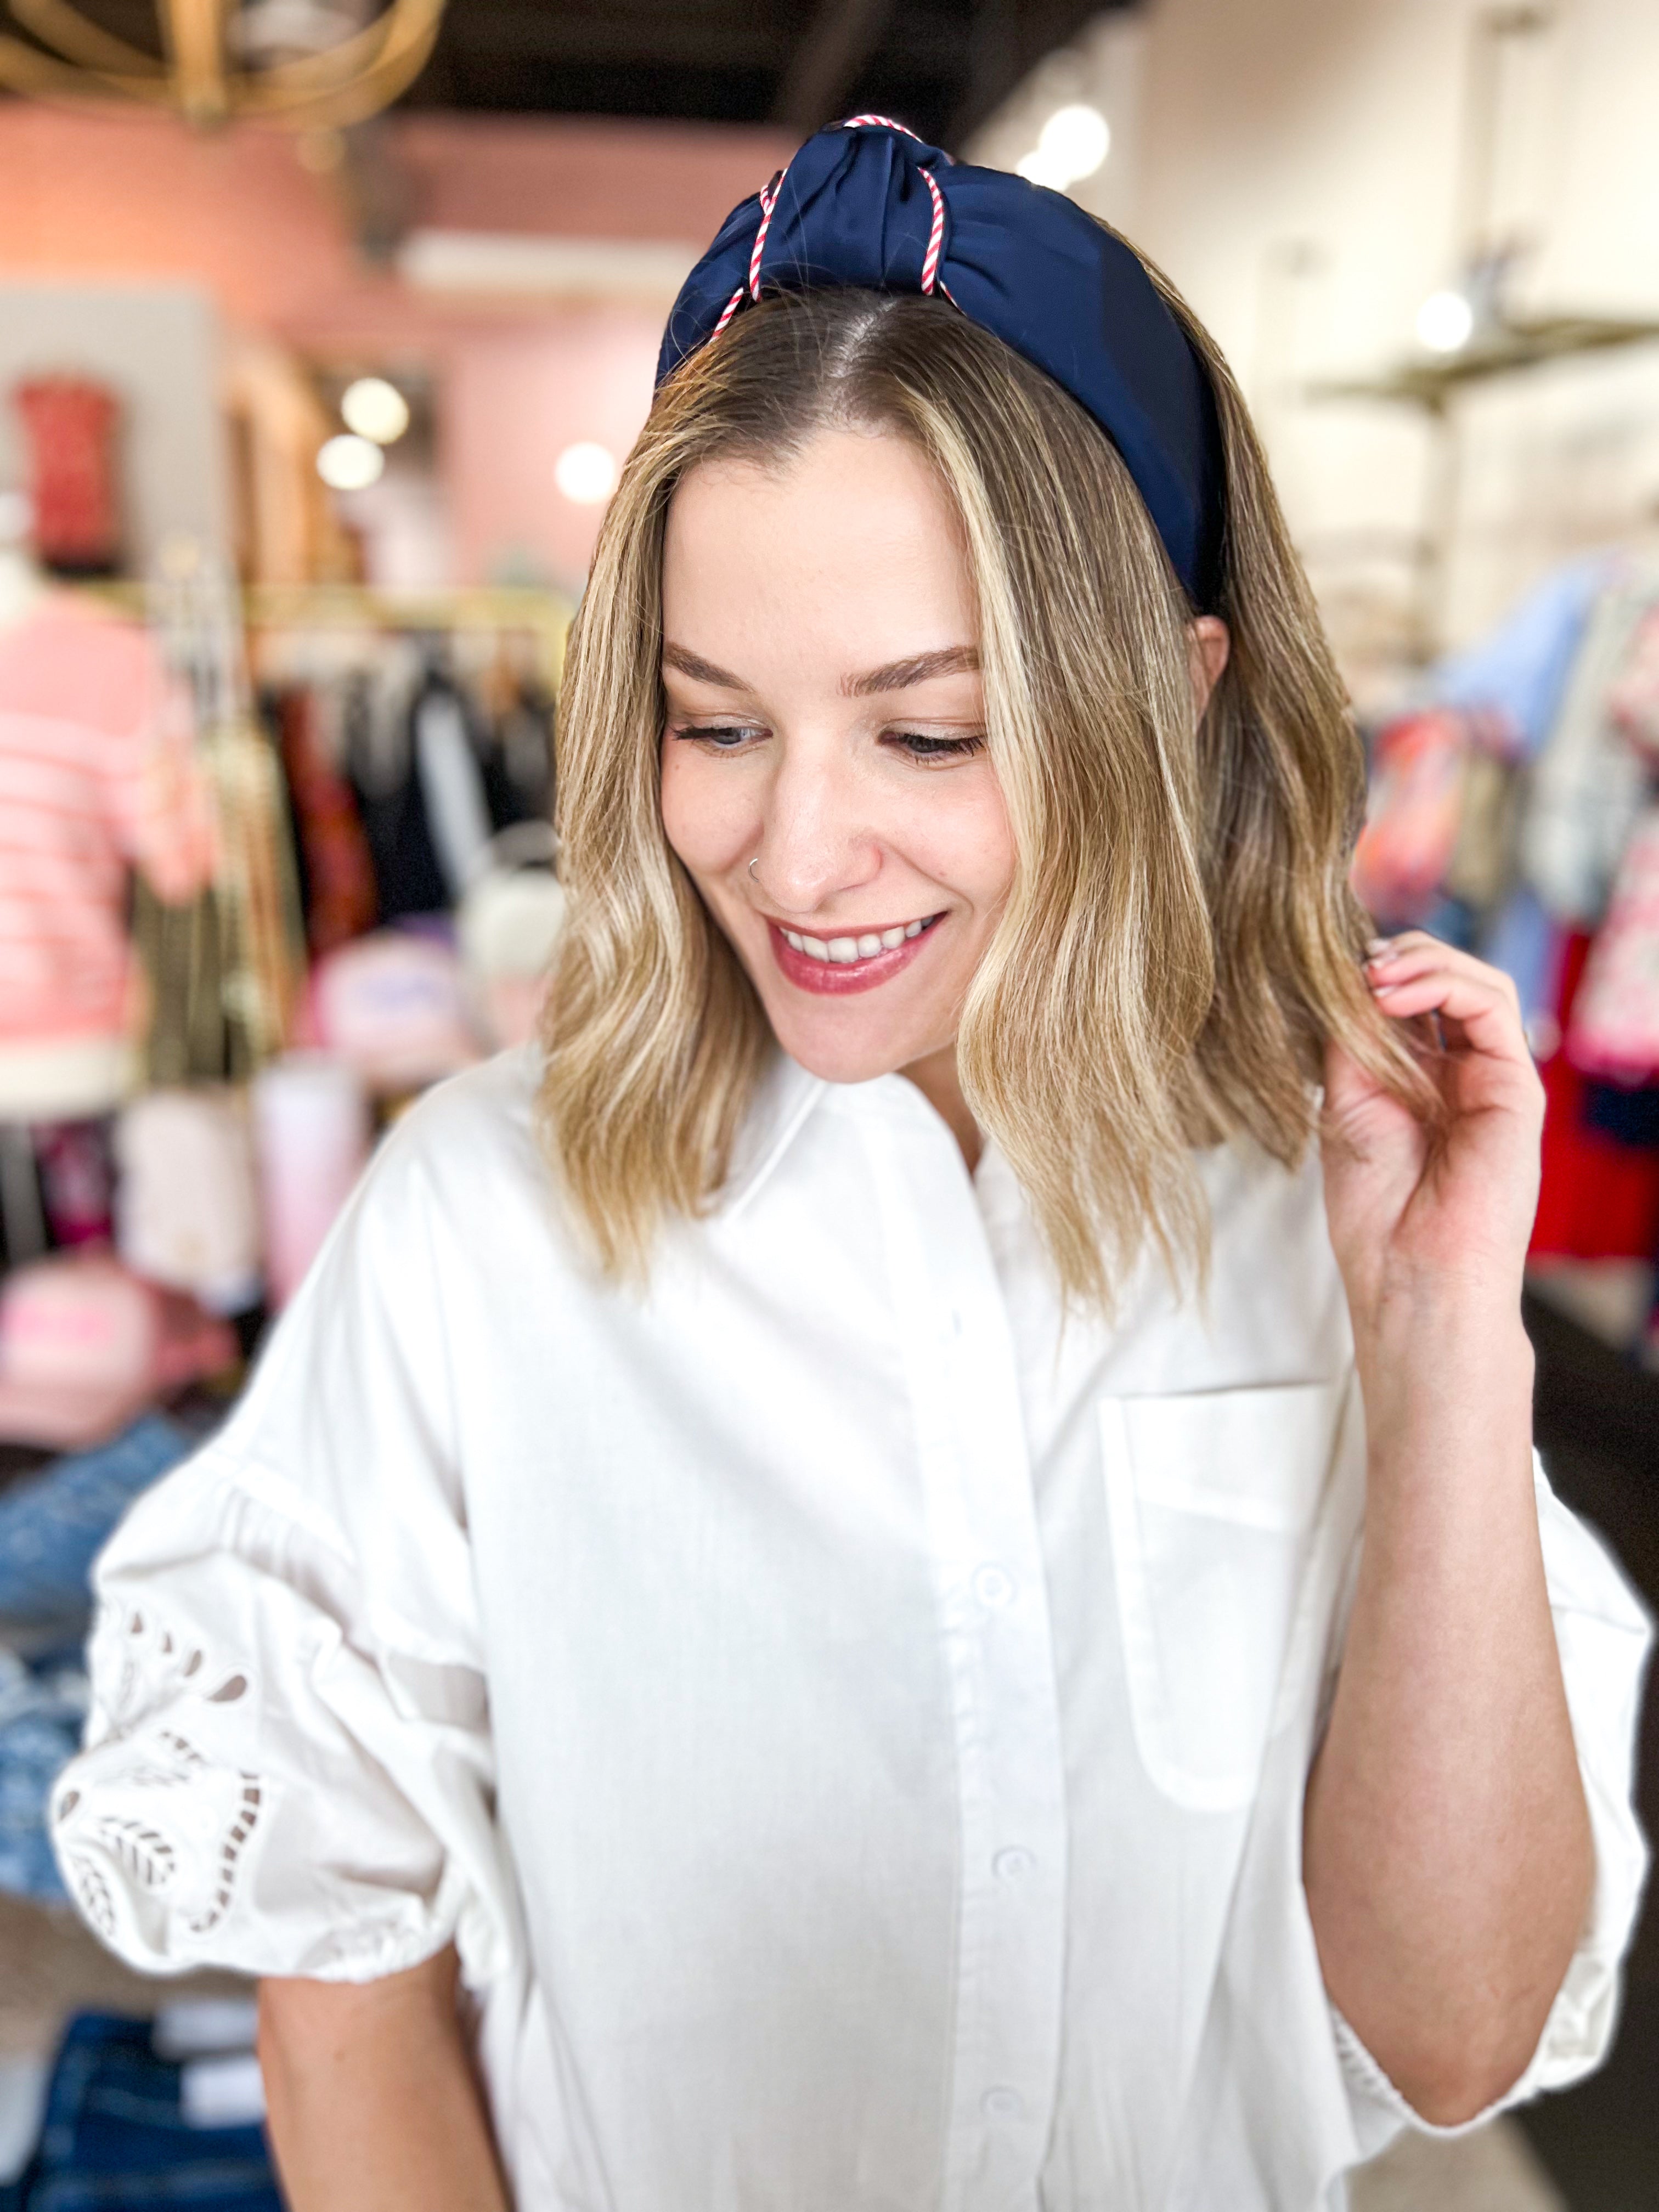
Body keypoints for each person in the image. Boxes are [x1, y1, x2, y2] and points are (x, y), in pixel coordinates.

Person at [51, 119, 1647, 2212]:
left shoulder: (1319, 1212)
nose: (798, 857)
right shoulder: (485, 1220)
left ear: (1167, 701)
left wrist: (1447, 1348)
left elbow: (1453, 2033)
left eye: (930, 731)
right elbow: (351, 1999)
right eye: (715, 724)